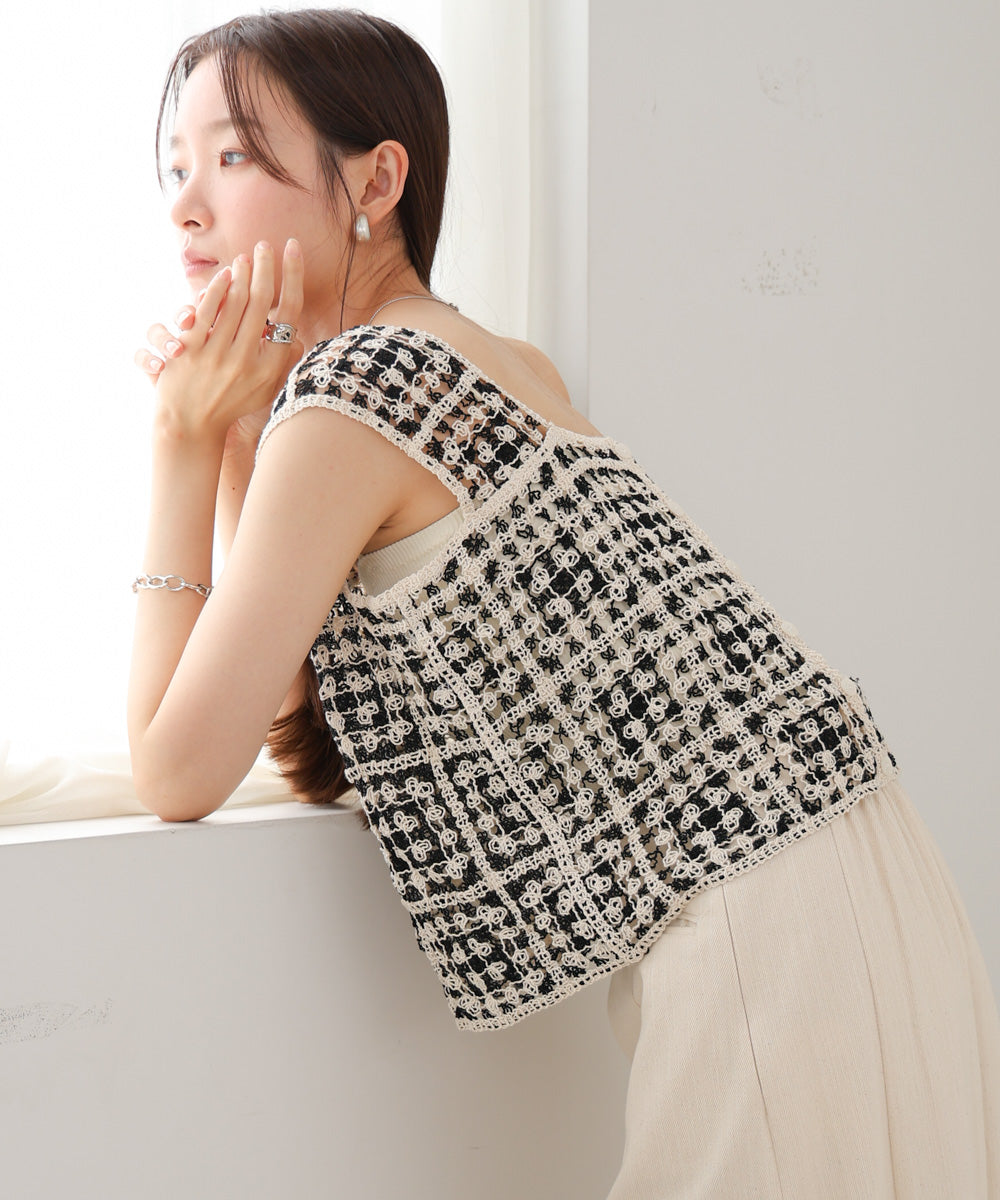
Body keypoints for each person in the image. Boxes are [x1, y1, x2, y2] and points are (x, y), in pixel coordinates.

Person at [131, 9, 1000, 1197]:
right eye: (174, 167)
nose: (185, 205)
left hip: (771, 924)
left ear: (376, 180)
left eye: (231, 155)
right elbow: (300, 710)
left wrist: (180, 441)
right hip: (853, 864)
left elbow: (175, 768)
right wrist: (241, 436)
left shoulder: (355, 395)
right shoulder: (484, 361)